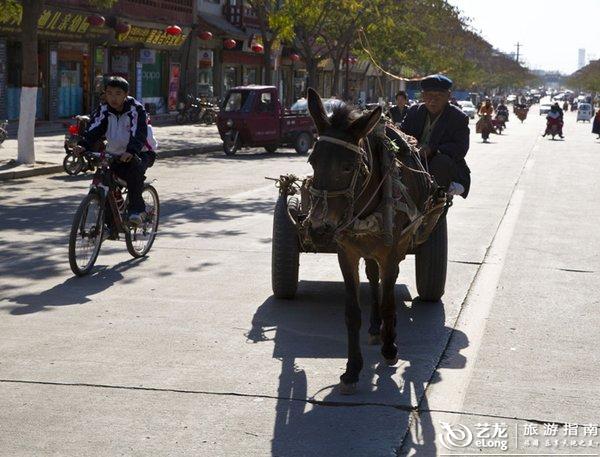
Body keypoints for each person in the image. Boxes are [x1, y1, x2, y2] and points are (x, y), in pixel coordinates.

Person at [74, 76, 155, 225]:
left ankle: (137, 210)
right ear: (105, 94)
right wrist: (83, 145)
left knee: (133, 172)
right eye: (109, 93)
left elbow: (139, 133)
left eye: (118, 93)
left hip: (141, 152)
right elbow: (94, 128)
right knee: (105, 178)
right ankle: (110, 224)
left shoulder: (136, 109)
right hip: (115, 153)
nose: (113, 98)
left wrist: (131, 151)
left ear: (126, 94)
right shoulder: (104, 110)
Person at [400, 74, 471, 198]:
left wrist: (432, 149)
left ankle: (438, 196)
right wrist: (406, 139)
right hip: (414, 160)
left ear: (448, 96)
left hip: (441, 165)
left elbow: (461, 148)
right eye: (429, 96)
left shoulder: (458, 118)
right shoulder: (413, 112)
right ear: (422, 96)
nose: (433, 100)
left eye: (439, 96)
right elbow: (401, 132)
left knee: (440, 162)